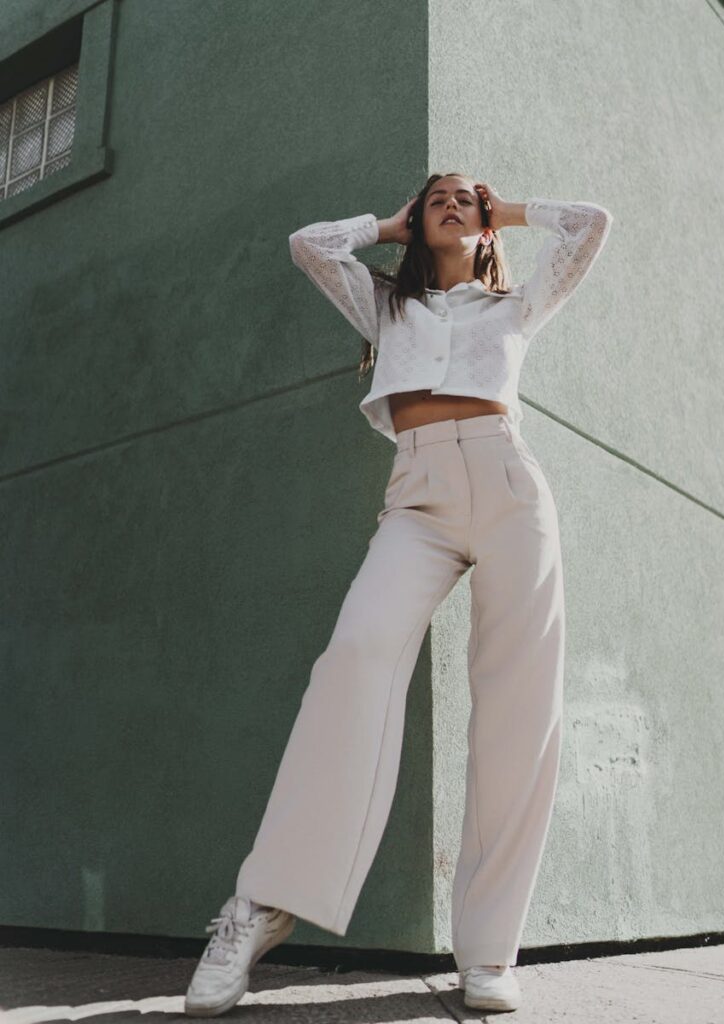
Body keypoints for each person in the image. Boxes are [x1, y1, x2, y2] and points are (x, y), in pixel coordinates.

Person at [184, 173, 613, 1016]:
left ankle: (489, 951)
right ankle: (260, 907)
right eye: (439, 196)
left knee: (519, 702)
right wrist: (394, 223)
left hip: (508, 486)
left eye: (469, 197)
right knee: (356, 653)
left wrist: (505, 213)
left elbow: (591, 224)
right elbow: (310, 244)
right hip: (416, 498)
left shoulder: (515, 304)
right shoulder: (384, 305)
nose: (456, 201)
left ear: (487, 225)